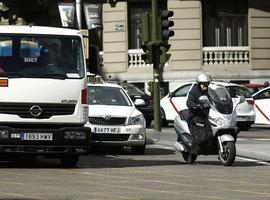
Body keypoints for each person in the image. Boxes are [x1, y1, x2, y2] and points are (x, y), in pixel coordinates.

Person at [176, 72, 213, 162]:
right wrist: (195, 105)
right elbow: (189, 102)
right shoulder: (194, 91)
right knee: (200, 133)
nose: (205, 86)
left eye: (207, 84)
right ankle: (192, 153)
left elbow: (216, 98)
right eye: (203, 84)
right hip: (195, 115)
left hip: (207, 115)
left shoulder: (210, 91)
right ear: (199, 84)